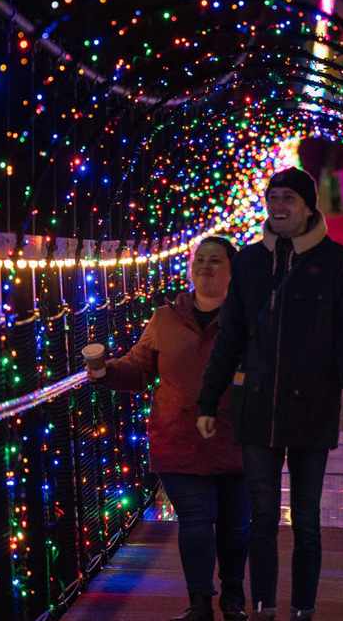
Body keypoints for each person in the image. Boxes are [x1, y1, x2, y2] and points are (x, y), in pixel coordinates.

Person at [196, 168, 343, 620]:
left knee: (307, 521)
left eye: (288, 198)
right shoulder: (252, 261)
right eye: (273, 197)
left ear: (309, 206)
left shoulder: (335, 261)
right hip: (258, 408)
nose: (278, 205)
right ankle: (264, 606)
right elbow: (230, 336)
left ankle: (302, 609)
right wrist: (208, 401)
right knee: (262, 518)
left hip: (312, 407)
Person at [89, 236, 250, 621]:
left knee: (234, 526)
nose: (206, 267)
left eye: (216, 261)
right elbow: (139, 368)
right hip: (179, 438)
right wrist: (105, 370)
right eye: (201, 260)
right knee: (195, 520)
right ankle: (199, 604)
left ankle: (232, 598)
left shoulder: (253, 318)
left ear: (234, 270)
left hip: (239, 441)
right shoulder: (164, 319)